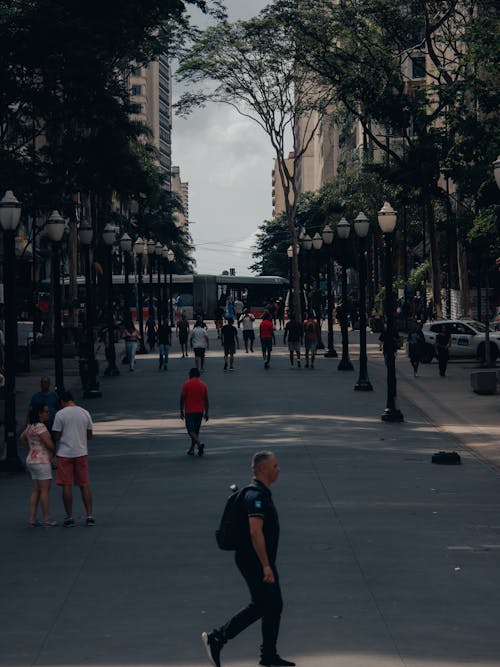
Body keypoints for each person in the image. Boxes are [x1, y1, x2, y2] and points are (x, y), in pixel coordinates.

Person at [201, 451, 295, 667]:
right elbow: (255, 532)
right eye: (275, 466)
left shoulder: (260, 493)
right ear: (263, 469)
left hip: (258, 560)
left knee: (273, 605)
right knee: (263, 604)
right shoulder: (255, 497)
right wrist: (265, 566)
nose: (278, 469)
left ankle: (268, 655)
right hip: (254, 561)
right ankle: (217, 638)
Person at [52, 391, 95, 527]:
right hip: (81, 452)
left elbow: (56, 435)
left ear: (62, 402)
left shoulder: (60, 414)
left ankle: (69, 517)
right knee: (84, 484)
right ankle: (89, 515)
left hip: (65, 453)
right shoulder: (85, 413)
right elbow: (89, 435)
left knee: (66, 485)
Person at [21, 403, 57, 528]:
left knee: (35, 490)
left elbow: (22, 438)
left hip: (31, 460)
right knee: (45, 491)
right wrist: (54, 451)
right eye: (46, 412)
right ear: (40, 414)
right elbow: (48, 443)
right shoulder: (41, 427)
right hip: (42, 461)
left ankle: (32, 518)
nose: (48, 413)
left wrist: (31, 448)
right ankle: (46, 519)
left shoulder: (30, 426)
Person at [180, 367, 209, 457]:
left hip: (190, 411)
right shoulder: (203, 385)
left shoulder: (186, 384)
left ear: (190, 375)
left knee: (190, 431)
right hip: (199, 411)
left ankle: (199, 445)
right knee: (196, 431)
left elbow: (182, 398)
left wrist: (181, 410)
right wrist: (206, 412)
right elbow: (206, 400)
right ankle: (192, 449)